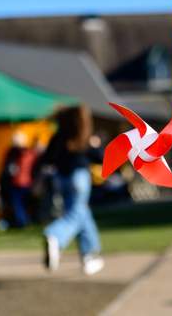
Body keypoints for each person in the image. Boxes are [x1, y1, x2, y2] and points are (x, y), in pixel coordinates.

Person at [39, 105, 104, 275]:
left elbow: (46, 159)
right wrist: (96, 145)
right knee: (76, 214)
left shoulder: (59, 137)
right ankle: (55, 236)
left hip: (61, 179)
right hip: (79, 177)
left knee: (81, 212)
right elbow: (100, 157)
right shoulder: (83, 137)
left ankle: (88, 256)